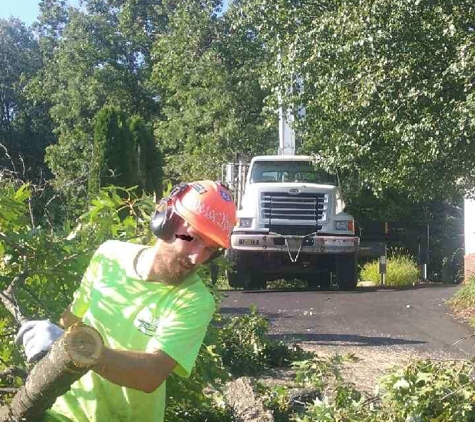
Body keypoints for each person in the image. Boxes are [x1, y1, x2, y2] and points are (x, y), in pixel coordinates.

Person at [15, 180, 237, 422]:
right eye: (192, 238)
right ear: (165, 220)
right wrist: (49, 339)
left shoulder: (194, 300)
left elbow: (151, 374)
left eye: (210, 249)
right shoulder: (109, 255)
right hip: (63, 412)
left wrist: (71, 347)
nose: (197, 258)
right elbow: (72, 319)